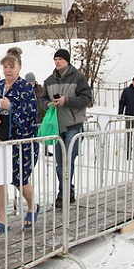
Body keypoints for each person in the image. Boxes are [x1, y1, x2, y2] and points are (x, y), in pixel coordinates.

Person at [0, 47, 39, 233]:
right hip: (0, 141)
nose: (8, 70)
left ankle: (33, 206)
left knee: (20, 180)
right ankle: (3, 220)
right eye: (5, 66)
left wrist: (12, 107)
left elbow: (32, 114)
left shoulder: (26, 88)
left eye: (11, 66)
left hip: (20, 143)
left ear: (19, 67)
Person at [39, 49, 93, 208]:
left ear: (67, 61)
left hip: (73, 125)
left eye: (60, 59)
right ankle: (67, 192)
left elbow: (87, 98)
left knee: (67, 161)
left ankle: (64, 194)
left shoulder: (78, 78)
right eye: (55, 59)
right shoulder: (49, 80)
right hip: (56, 126)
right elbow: (42, 99)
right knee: (59, 163)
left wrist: (66, 101)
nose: (57, 62)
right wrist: (47, 104)